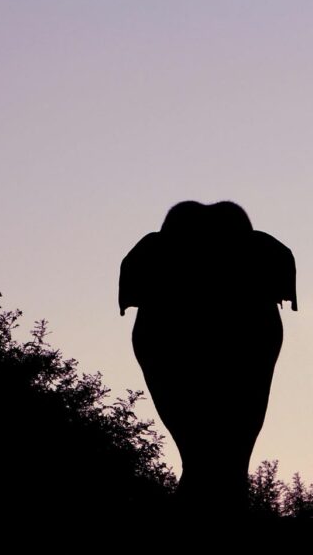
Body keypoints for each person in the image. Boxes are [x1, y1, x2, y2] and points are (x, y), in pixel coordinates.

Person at [120, 201, 296, 514]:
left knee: (215, 442)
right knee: (228, 439)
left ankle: (207, 499)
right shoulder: (260, 275)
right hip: (235, 332)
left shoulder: (154, 266)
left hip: (172, 333)